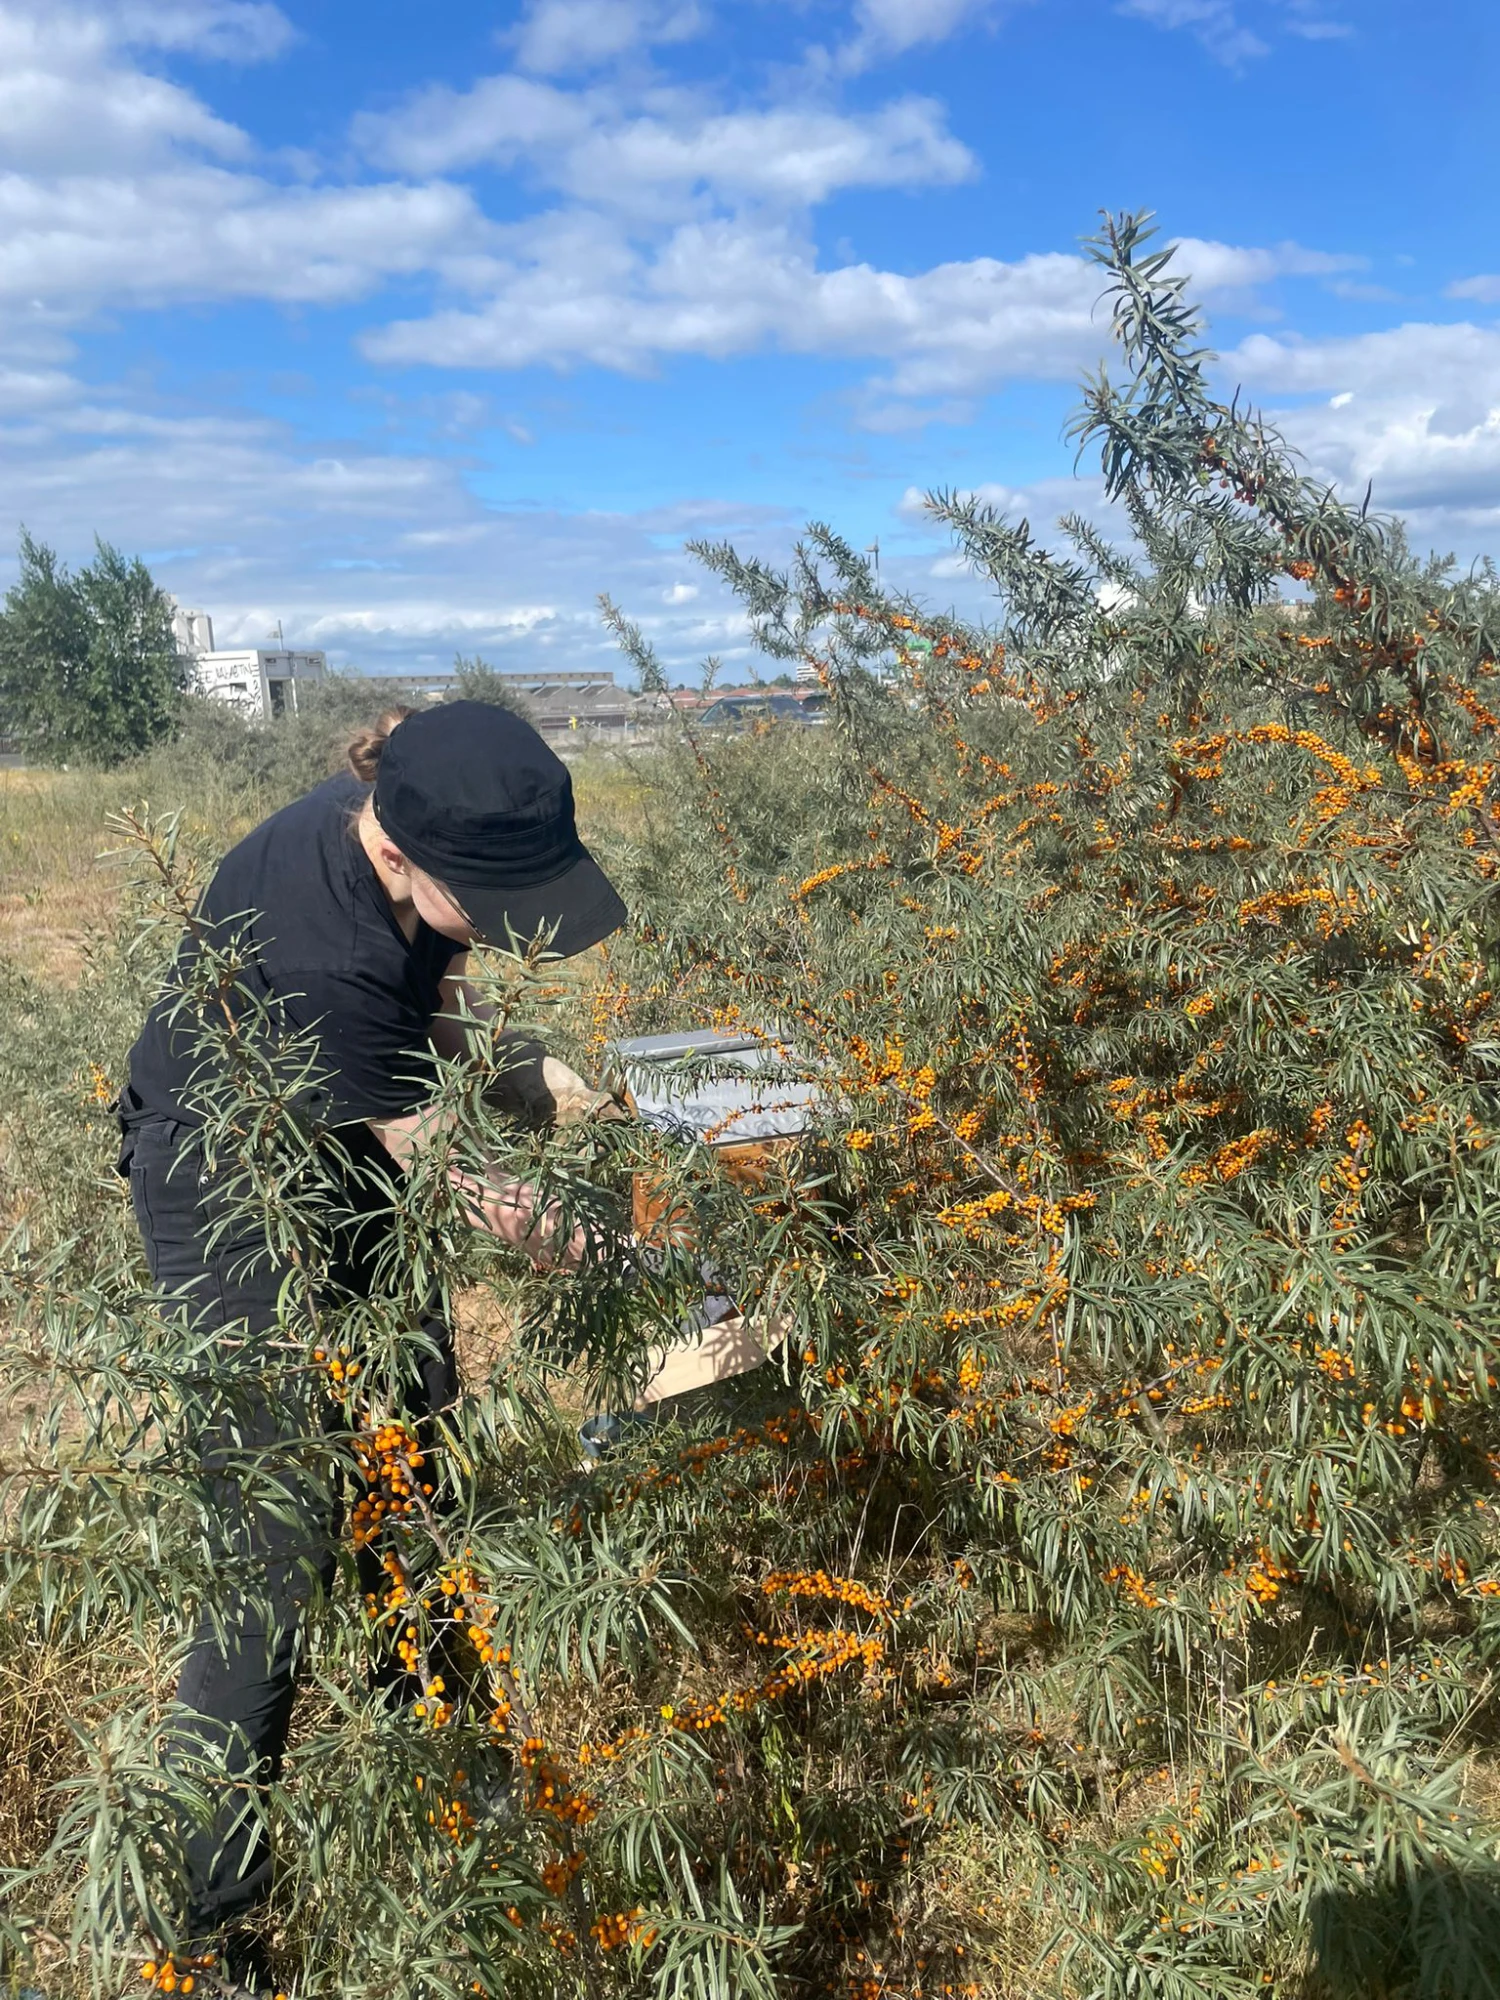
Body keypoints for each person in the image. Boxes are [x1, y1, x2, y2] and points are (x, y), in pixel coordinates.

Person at [115, 700, 626, 1985]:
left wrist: (504, 1071)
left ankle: (453, 1782)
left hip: (343, 1139)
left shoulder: (406, 857)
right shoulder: (317, 945)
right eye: (496, 897)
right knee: (274, 1552)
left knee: (416, 1464)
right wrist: (618, 1255)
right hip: (225, 1184)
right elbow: (464, 1184)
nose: (516, 925)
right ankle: (212, 1937)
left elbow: (437, 1004)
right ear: (397, 853)